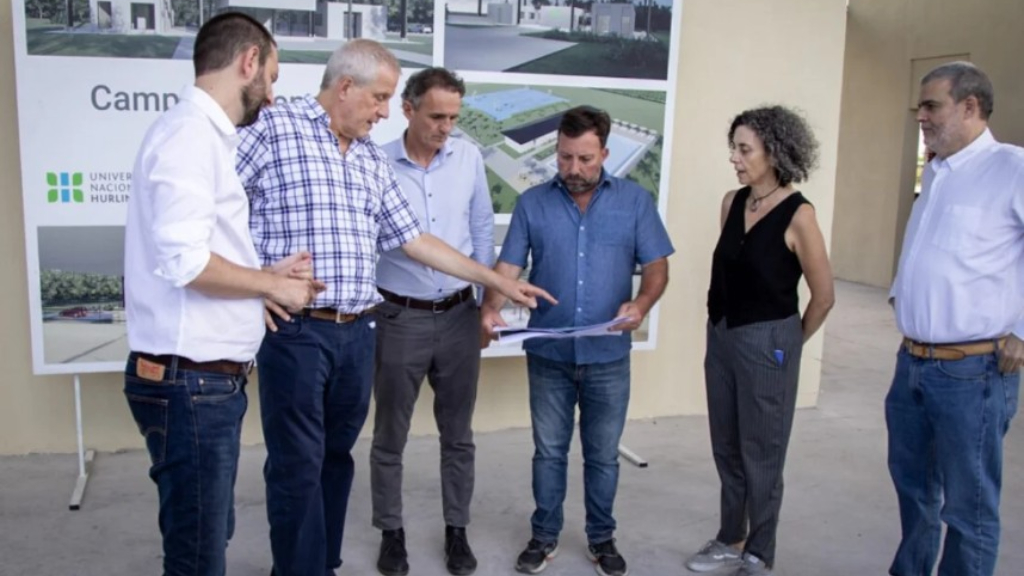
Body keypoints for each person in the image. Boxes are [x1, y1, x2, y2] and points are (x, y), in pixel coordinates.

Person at [235, 40, 554, 576]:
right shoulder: (276, 127)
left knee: (337, 460)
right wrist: (254, 283)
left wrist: (494, 280)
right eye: (379, 98)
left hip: (358, 333)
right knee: (297, 465)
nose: (384, 111)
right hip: (298, 332)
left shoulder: (366, 161)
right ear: (345, 88)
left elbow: (416, 240)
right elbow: (216, 204)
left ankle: (324, 563)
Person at [122, 13, 323, 576]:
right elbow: (185, 262)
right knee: (198, 554)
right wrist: (271, 284)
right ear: (249, 62)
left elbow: (193, 253)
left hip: (202, 383)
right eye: (273, 77)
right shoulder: (190, 135)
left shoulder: (202, 136)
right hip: (192, 384)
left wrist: (263, 275)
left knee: (206, 534)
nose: (273, 96)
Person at [481, 105, 674, 576]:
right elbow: (506, 271)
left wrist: (641, 305)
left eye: (585, 159)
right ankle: (544, 535)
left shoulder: (634, 202)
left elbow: (657, 267)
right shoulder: (533, 204)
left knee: (603, 455)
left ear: (605, 152)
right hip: (548, 354)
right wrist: (490, 307)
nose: (573, 170)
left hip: (608, 355)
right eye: (565, 158)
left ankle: (601, 538)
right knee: (548, 451)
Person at [885, 61, 1023, 576]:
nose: (920, 116)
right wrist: (903, 296)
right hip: (914, 364)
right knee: (914, 491)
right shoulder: (939, 171)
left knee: (969, 507)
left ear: (970, 106)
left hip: (973, 371)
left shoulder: (1012, 169)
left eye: (931, 106)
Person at [684, 106, 834, 576]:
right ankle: (731, 537)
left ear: (774, 152)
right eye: (734, 148)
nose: (735, 157)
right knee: (726, 445)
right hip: (723, 335)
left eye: (744, 149)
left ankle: (759, 552)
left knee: (763, 453)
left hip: (770, 338)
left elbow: (823, 296)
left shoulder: (798, 213)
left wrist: (787, 346)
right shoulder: (732, 203)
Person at [370, 67, 491, 576]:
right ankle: (391, 533)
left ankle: (456, 531)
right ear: (408, 109)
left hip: (461, 315)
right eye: (437, 116)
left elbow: (481, 226)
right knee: (390, 436)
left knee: (458, 435)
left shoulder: (468, 156)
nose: (447, 127)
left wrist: (486, 302)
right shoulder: (375, 162)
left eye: (454, 117)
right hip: (401, 317)